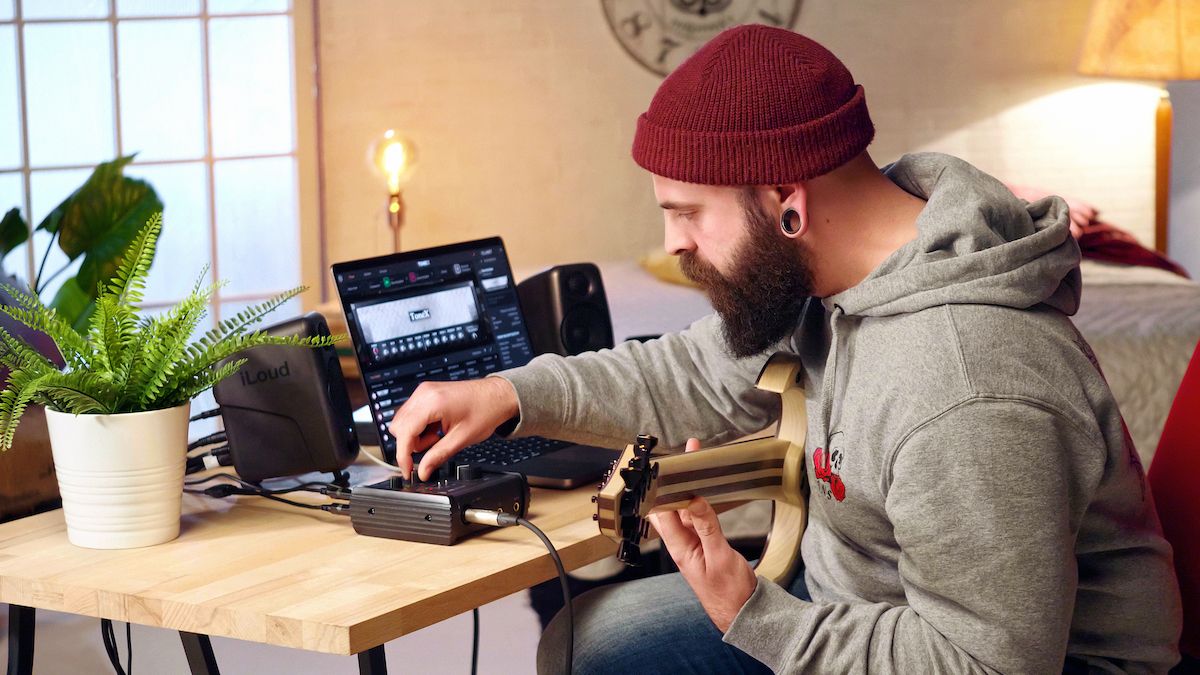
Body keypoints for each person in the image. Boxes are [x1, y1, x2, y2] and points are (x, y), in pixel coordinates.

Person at [387, 24, 1182, 674]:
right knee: (583, 640)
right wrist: (510, 392)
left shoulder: (966, 383)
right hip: (863, 602)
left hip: (1011, 658)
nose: (673, 242)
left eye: (690, 212)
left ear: (785, 202)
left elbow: (985, 660)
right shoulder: (830, 273)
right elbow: (693, 368)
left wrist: (754, 616)